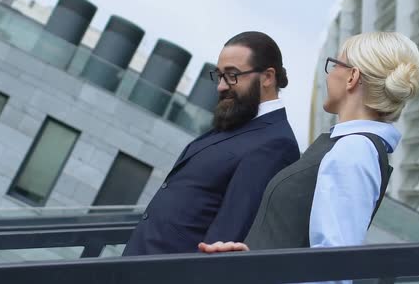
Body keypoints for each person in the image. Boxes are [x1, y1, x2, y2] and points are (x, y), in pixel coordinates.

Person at [198, 31, 419, 281]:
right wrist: (252, 256)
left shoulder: (354, 150)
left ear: (352, 77)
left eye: (335, 64)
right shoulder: (348, 146)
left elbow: (332, 270)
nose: (329, 75)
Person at [122, 31, 300, 255]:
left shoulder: (276, 144)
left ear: (267, 77)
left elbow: (227, 236)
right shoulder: (237, 121)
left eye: (232, 75)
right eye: (219, 76)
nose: (221, 86)